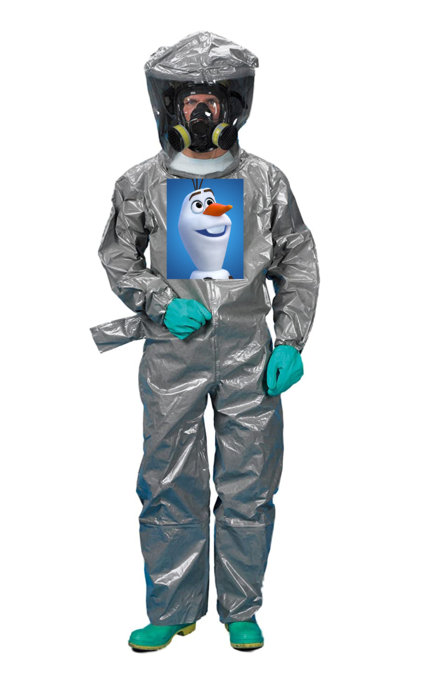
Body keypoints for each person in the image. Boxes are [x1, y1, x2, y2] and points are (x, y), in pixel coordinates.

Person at [91, 31, 319, 651]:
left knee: (250, 482)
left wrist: (291, 339)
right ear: (168, 106)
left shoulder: (265, 180)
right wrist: (162, 301)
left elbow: (297, 260)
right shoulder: (141, 181)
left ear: (232, 106)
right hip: (174, 353)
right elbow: (118, 255)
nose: (200, 111)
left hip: (251, 354)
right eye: (189, 99)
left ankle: (240, 608)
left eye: (211, 99)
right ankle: (172, 609)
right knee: (169, 479)